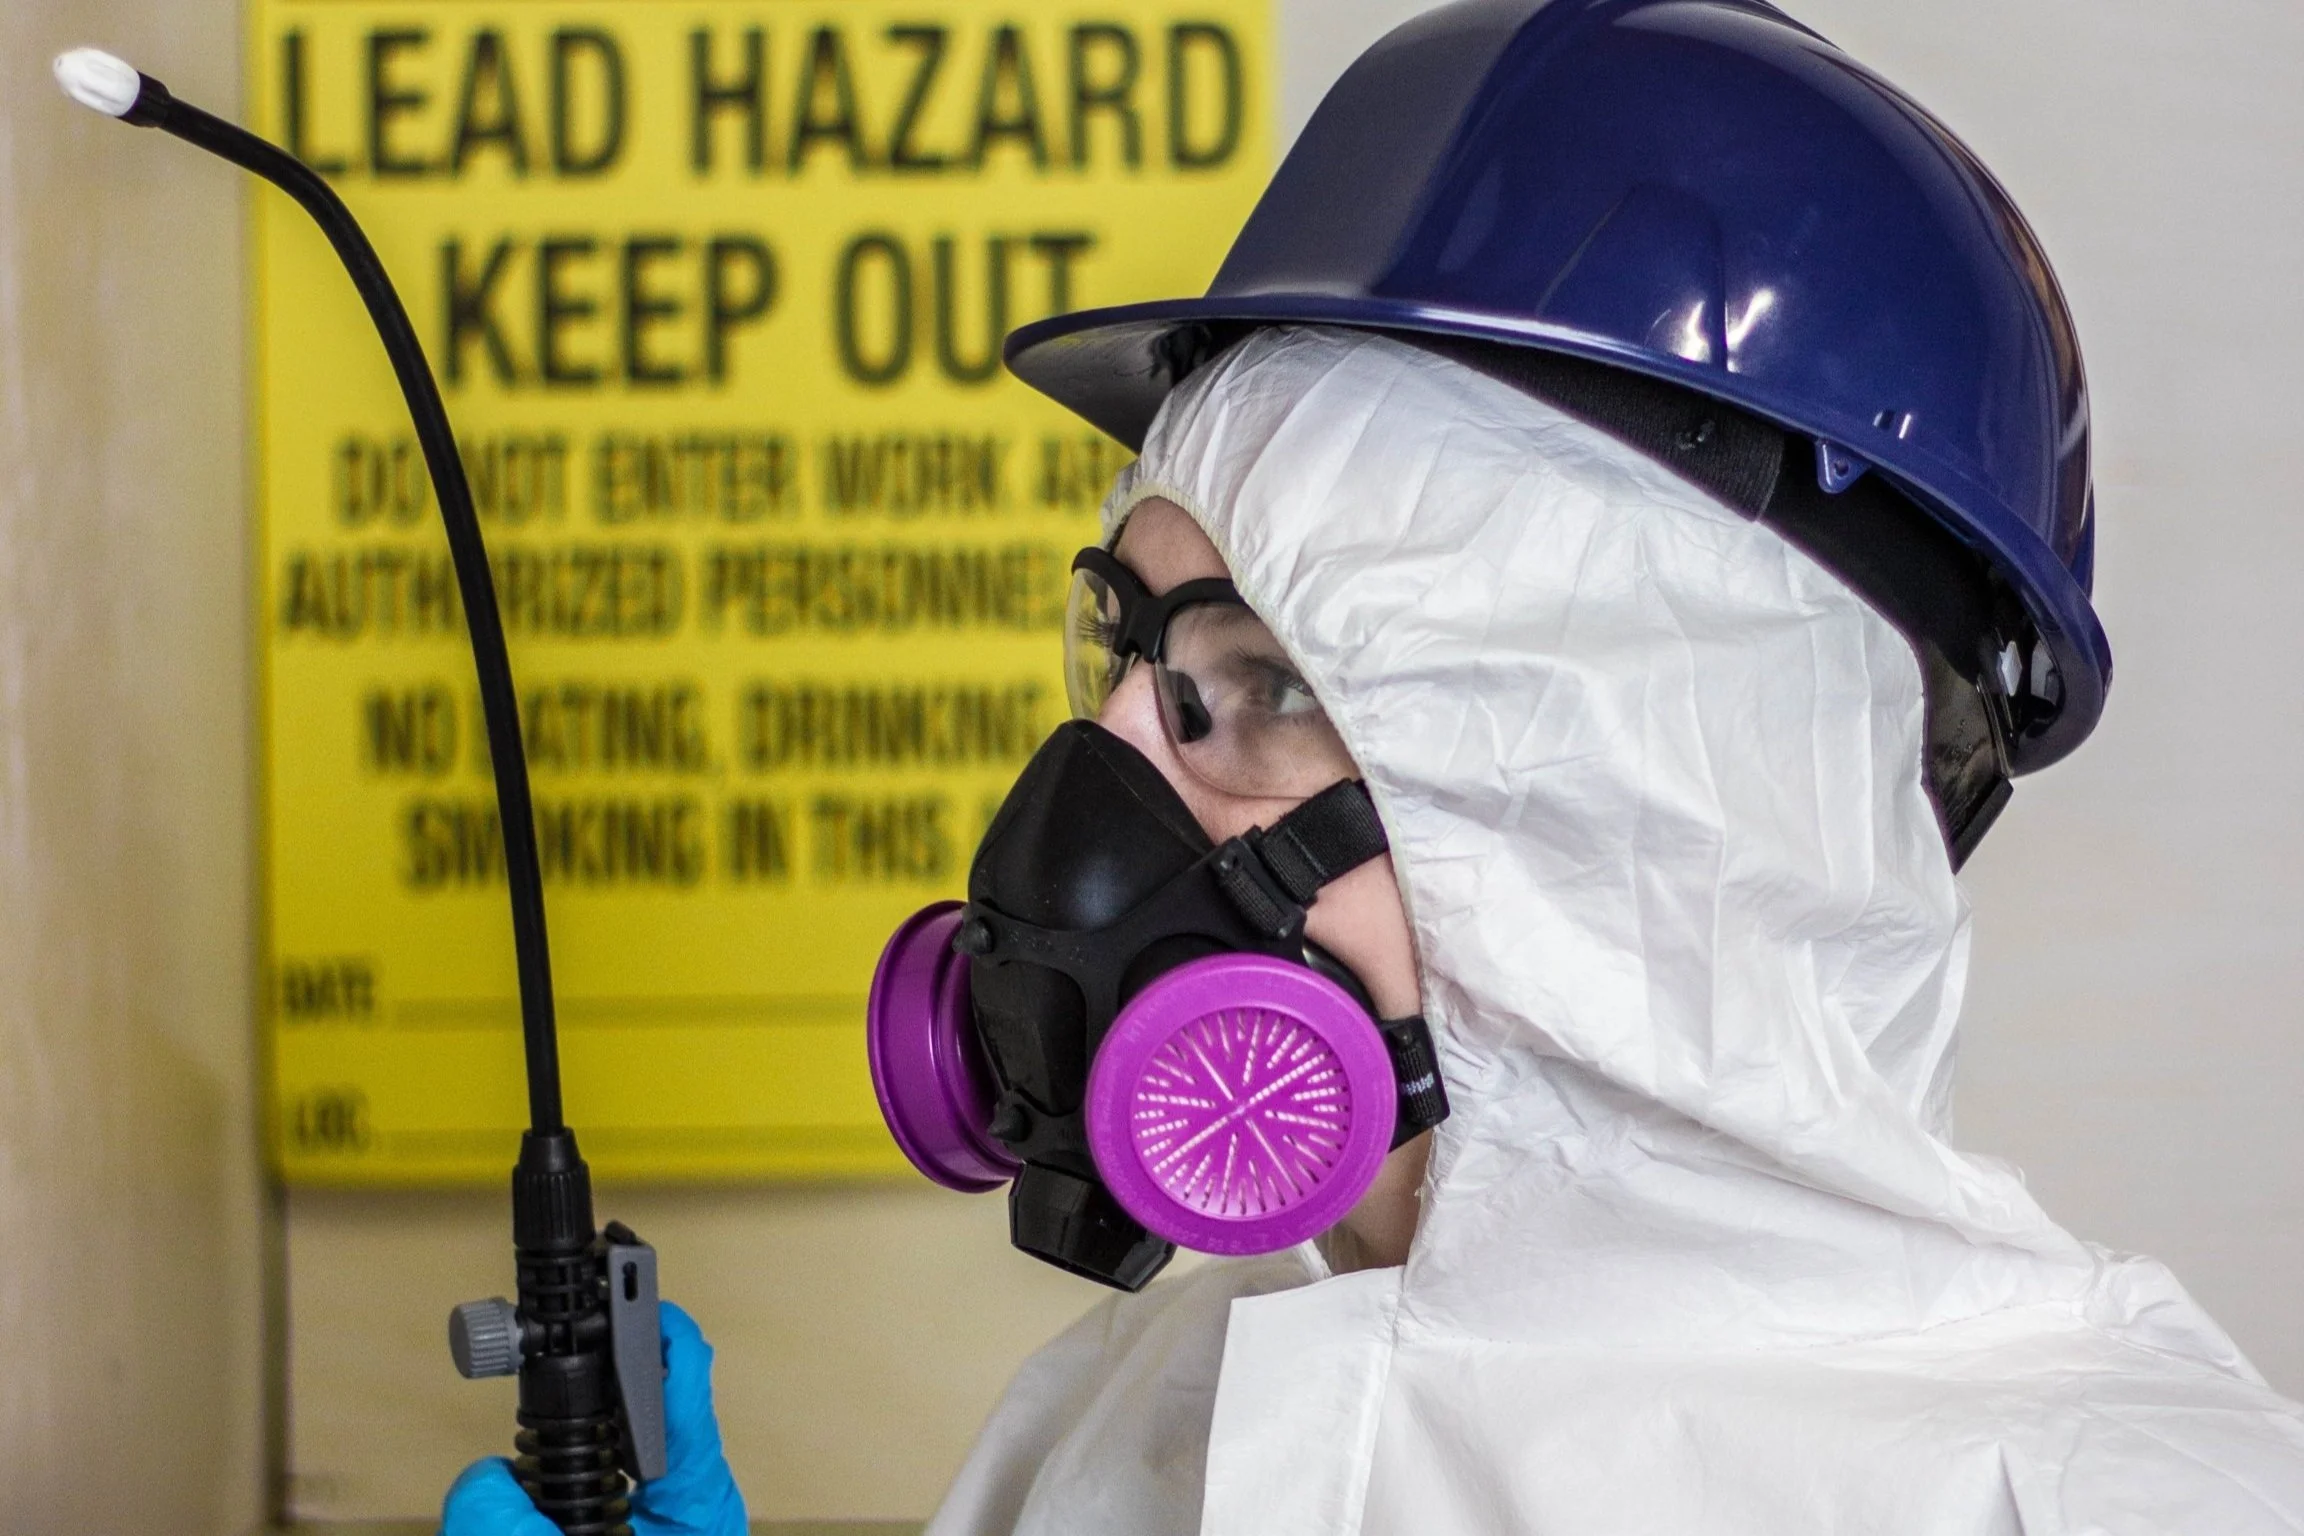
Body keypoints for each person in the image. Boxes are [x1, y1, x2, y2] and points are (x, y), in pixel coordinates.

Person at [446, 2, 2304, 1532]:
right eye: (1133, 654)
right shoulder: (1127, 1425)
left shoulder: (2089, 1500)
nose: (1096, 780)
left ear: (1637, 799)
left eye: (1261, 680)